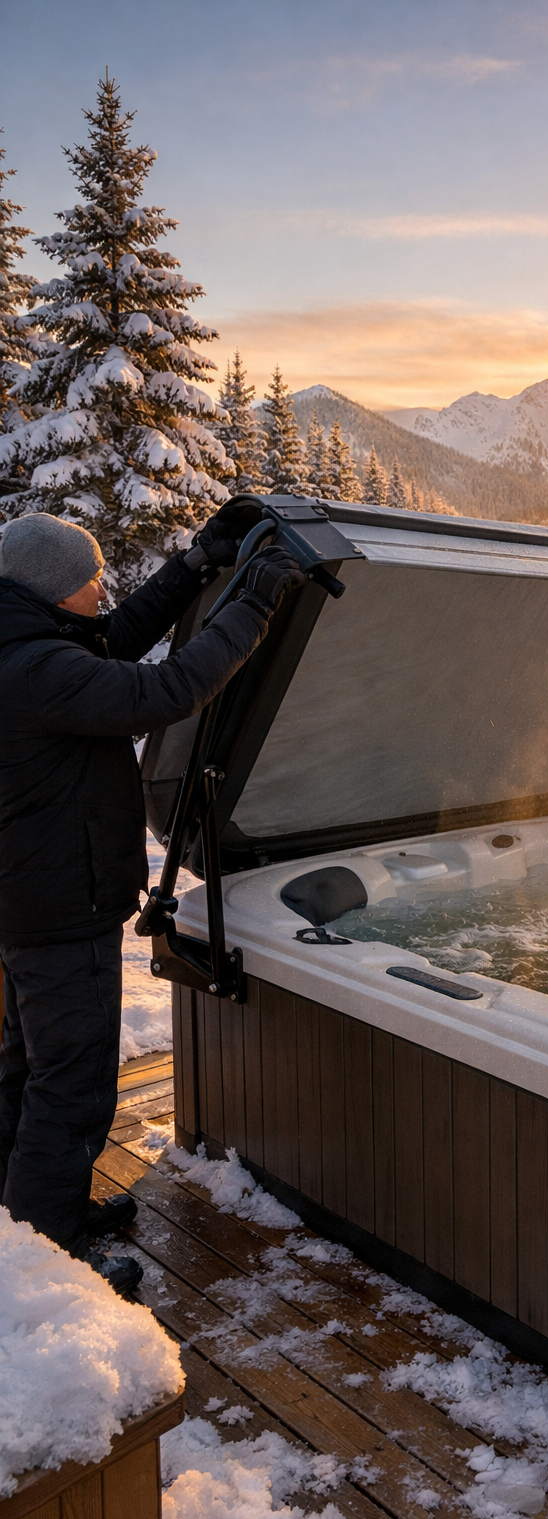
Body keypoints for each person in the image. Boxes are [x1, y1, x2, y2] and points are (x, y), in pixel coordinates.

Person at [0, 508, 303, 1295]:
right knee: (72, 1082)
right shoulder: (34, 668)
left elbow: (117, 636)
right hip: (58, 907)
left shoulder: (24, 640)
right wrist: (255, 600)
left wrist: (200, 560)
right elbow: (167, 689)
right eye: (89, 579)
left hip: (28, 897)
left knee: (28, 1068)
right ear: (53, 590)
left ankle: (24, 1223)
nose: (102, 588)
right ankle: (50, 1259)